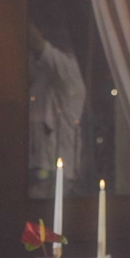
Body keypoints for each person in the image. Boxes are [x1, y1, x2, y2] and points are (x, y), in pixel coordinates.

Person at [27, 25, 85, 199]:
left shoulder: (68, 70)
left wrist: (19, 22)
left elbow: (38, 44)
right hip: (41, 169)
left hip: (58, 174)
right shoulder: (45, 76)